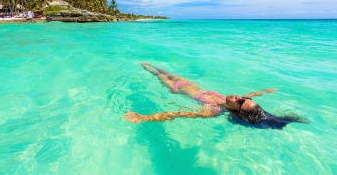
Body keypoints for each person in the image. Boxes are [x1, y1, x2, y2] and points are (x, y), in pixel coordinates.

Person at [124, 63, 307, 129]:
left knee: (157, 74)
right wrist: (264, 91)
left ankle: (143, 66)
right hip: (190, 84)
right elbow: (251, 94)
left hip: (177, 89)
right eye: (245, 98)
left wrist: (143, 118)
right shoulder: (237, 100)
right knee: (164, 70)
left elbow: (180, 114)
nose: (240, 97)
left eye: (241, 101)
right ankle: (148, 64)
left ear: (238, 110)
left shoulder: (214, 110)